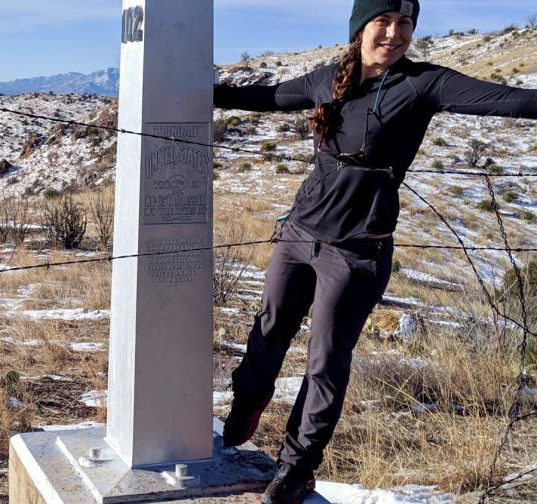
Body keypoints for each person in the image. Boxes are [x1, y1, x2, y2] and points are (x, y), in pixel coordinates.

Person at [213, 1, 537, 503]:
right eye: (383, 22)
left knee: (325, 361)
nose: (394, 33)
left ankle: (297, 467)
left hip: (357, 251)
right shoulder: (328, 79)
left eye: (405, 23)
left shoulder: (423, 83)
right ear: (360, 28)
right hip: (300, 235)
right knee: (269, 329)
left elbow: (508, 100)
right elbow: (271, 97)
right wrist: (206, 94)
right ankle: (249, 400)